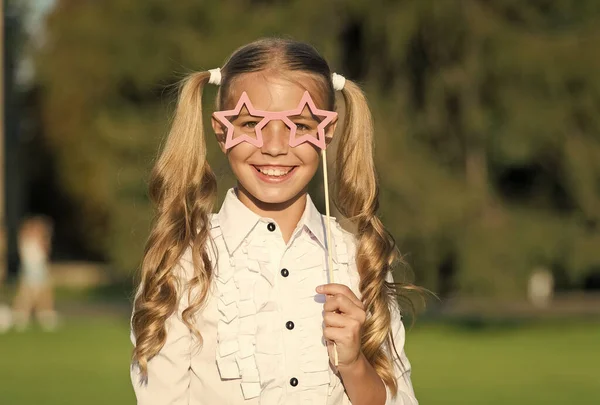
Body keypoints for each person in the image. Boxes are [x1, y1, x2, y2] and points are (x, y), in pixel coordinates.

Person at [130, 38, 419, 405]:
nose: (275, 147)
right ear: (222, 132)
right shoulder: (184, 263)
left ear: (326, 133)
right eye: (252, 124)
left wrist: (354, 364)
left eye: (299, 125)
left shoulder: (357, 259)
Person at [12, 215, 58, 331]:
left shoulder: (28, 240)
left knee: (42, 293)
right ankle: (22, 315)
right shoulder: (29, 241)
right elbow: (44, 250)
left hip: (37, 267)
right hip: (33, 268)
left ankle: (43, 314)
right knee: (29, 294)